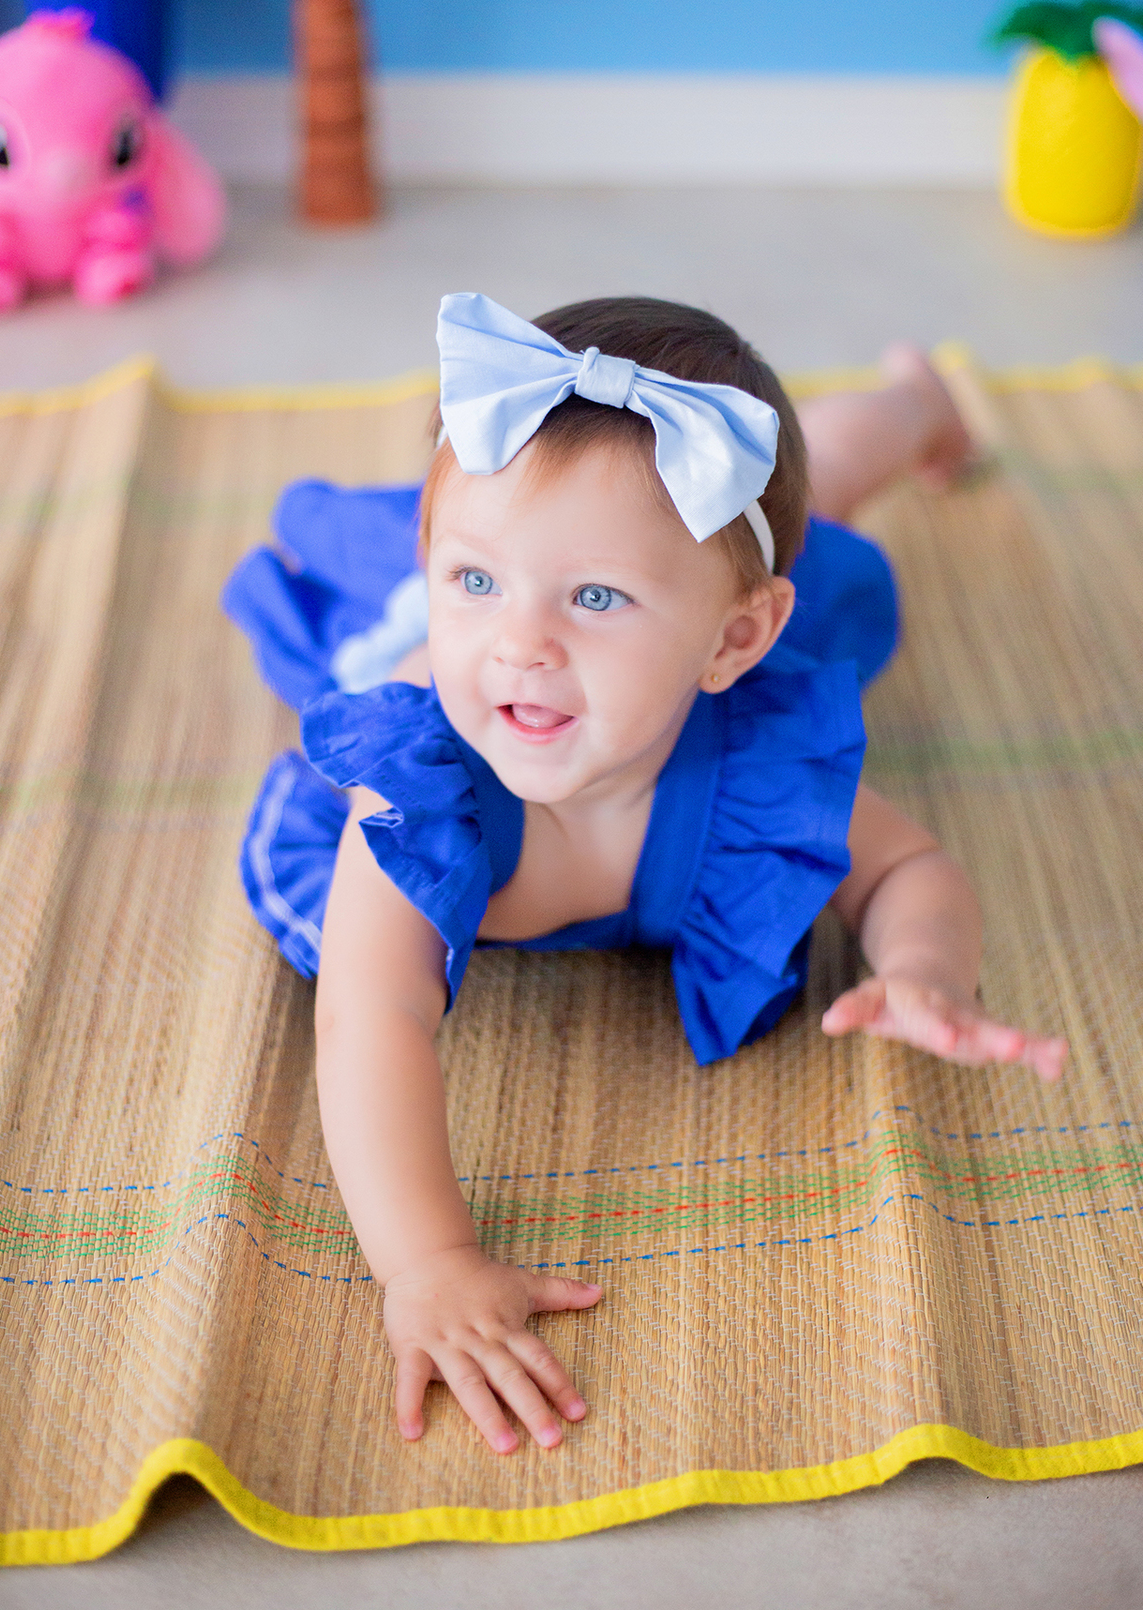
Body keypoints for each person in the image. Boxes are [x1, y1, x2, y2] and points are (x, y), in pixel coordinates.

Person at [224, 293, 1068, 1458]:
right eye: (473, 580)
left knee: (821, 530)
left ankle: (914, 400)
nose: (522, 642)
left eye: (596, 598)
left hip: (727, 626)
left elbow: (907, 866)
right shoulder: (420, 784)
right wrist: (429, 1262)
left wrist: (926, 970)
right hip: (428, 660)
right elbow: (372, 1012)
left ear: (732, 644)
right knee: (522, 566)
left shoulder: (751, 762)